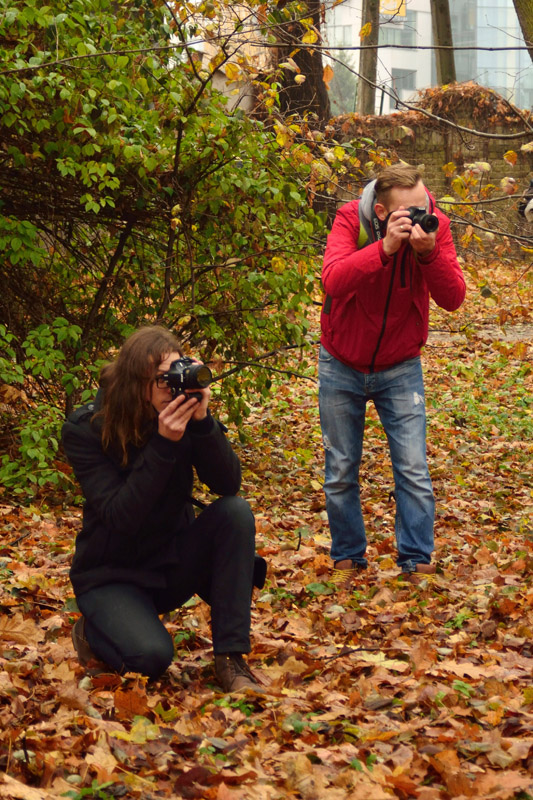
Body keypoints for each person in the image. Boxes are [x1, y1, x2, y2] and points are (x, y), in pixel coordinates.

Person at [62, 325, 266, 692]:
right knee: (151, 658)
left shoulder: (181, 415)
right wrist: (164, 443)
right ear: (135, 382)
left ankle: (231, 660)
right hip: (111, 576)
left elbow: (227, 484)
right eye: (162, 379)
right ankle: (93, 631)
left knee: (234, 512)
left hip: (169, 563)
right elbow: (121, 516)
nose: (172, 388)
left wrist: (203, 422)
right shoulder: (87, 429)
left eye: (177, 374)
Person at [318, 164, 466, 587]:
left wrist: (428, 253)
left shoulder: (436, 226)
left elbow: (453, 297)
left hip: (400, 363)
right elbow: (333, 280)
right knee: (341, 468)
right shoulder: (352, 219)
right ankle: (348, 559)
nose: (422, 216)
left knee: (413, 467)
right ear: (381, 212)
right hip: (341, 360)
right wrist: (383, 248)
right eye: (409, 212)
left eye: (424, 207)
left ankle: (417, 560)